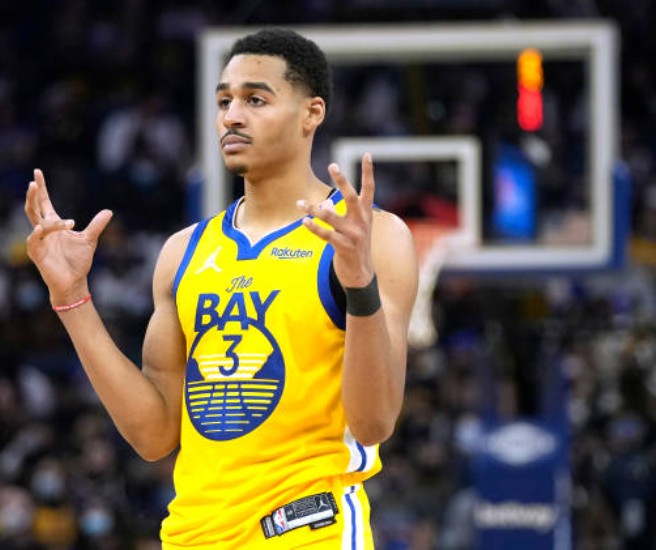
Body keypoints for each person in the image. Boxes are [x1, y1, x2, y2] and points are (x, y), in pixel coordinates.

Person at [24, 27, 418, 549]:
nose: (232, 116)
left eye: (256, 99)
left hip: (307, 530)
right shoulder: (182, 252)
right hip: (192, 534)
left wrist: (360, 285)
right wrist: (72, 298)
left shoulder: (373, 236)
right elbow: (153, 435)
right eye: (224, 101)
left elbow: (374, 423)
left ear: (312, 114)